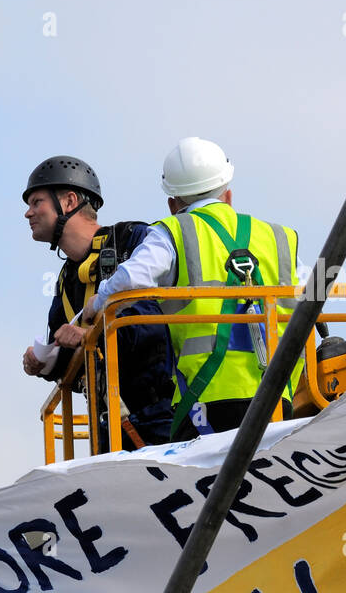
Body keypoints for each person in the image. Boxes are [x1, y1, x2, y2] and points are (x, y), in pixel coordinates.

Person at [81, 137, 303, 442]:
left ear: (173, 204)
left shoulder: (173, 231)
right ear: (229, 194)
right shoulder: (279, 237)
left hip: (206, 402)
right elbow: (312, 297)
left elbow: (131, 278)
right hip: (278, 397)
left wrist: (96, 303)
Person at [19, 156, 174, 450]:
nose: (28, 213)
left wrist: (90, 335)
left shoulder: (132, 241)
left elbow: (154, 327)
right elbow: (68, 353)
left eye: (36, 202)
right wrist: (44, 362)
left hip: (163, 414)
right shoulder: (66, 281)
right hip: (109, 424)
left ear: (69, 201)